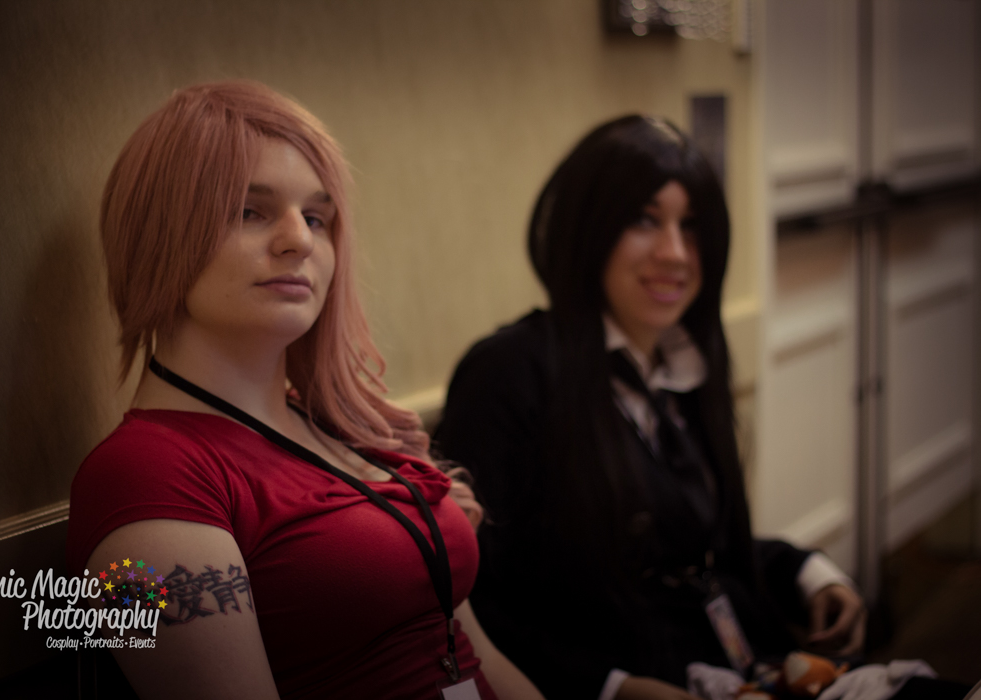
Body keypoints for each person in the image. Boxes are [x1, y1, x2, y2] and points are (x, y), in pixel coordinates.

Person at [65, 81, 544, 700]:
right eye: (249, 211)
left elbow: (474, 651)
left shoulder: (345, 426)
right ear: (159, 236)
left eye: (316, 217)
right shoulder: (142, 476)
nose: (301, 240)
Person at [433, 116, 868, 700]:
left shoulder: (683, 360)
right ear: (587, 228)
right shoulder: (508, 373)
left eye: (691, 227)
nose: (675, 254)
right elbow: (478, 600)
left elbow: (691, 550)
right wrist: (616, 688)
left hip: (745, 664)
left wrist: (810, 574)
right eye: (644, 219)